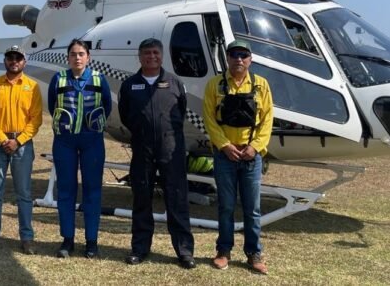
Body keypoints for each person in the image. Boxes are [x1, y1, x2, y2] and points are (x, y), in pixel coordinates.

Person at [118, 38, 196, 270]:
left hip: (171, 148)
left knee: (177, 199)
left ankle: (184, 252)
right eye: (146, 53)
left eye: (155, 53)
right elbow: (125, 115)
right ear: (139, 57)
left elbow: (180, 112)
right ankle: (140, 249)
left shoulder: (174, 83)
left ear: (161, 56)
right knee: (142, 198)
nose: (151, 57)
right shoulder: (129, 85)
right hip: (142, 148)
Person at [202, 39, 273, 275]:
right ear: (228, 58)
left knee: (252, 208)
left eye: (243, 55)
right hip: (225, 156)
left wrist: (255, 146)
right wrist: (224, 145)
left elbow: (267, 120)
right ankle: (223, 251)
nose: (239, 59)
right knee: (226, 206)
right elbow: (209, 119)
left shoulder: (261, 85)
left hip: (251, 156)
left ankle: (254, 253)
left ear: (250, 59)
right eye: (234, 55)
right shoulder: (215, 85)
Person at [0, 45, 43, 255]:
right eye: (10, 57)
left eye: (18, 57)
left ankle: (27, 238)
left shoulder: (32, 87)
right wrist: (3, 139)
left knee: (24, 194)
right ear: (5, 60)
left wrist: (18, 140)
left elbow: (36, 119)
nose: (14, 61)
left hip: (22, 146)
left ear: (25, 61)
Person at [48, 39, 112, 259]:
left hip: (92, 140)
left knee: (92, 191)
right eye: (73, 53)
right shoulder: (58, 79)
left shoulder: (98, 78)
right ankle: (67, 240)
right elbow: (51, 105)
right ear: (68, 57)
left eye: (81, 53)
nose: (77, 57)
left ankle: (91, 241)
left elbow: (107, 106)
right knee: (66, 190)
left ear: (88, 57)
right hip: (64, 141)